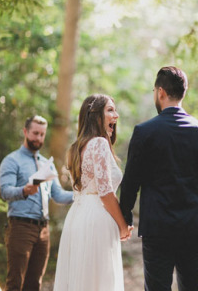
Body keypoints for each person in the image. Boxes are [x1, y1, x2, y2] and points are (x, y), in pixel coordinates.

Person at [119, 66, 198, 291]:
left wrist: (125, 218)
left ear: (161, 92)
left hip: (158, 228)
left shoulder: (144, 132)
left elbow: (131, 182)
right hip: (194, 227)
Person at [53, 94, 132, 291]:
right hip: (97, 217)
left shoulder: (75, 148)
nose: (116, 115)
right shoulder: (99, 144)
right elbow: (105, 192)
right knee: (99, 281)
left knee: (82, 279)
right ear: (95, 115)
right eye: (110, 110)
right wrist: (123, 226)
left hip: (77, 217)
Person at [0, 115, 73, 291]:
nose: (38, 138)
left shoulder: (47, 165)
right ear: (25, 132)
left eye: (42, 134)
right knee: (15, 282)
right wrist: (23, 191)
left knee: (34, 284)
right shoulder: (12, 160)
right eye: (35, 133)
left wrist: (82, 195)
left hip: (43, 230)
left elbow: (59, 195)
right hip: (20, 227)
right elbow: (4, 192)